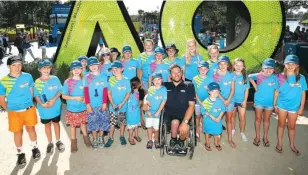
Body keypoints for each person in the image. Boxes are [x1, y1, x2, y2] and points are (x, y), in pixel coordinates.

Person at [0, 56, 41, 167]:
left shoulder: (28, 77)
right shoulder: (3, 81)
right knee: (17, 133)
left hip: (29, 110)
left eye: (19, 65)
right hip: (14, 113)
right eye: (14, 65)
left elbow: (31, 90)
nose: (17, 68)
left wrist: (30, 104)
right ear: (9, 67)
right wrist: (9, 110)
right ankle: (20, 153)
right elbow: (1, 99)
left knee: (31, 129)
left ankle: (34, 148)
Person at [275, 55, 307, 156]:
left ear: (297, 65)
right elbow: (276, 91)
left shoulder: (301, 78)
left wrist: (301, 107)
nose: (290, 66)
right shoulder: (280, 77)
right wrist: (275, 104)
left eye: (293, 64)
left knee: (292, 127)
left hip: (294, 107)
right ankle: (279, 143)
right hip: (282, 105)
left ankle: (292, 144)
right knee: (281, 124)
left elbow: (303, 93)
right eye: (288, 63)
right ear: (284, 64)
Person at [34, 59, 65, 153]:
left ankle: (58, 141)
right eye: (44, 68)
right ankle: (50, 143)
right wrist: (42, 104)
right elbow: (36, 95)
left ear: (51, 69)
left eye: (48, 68)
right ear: (39, 69)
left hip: (55, 107)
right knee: (47, 125)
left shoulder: (55, 78)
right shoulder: (37, 82)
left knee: (56, 124)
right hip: (44, 109)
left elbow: (60, 90)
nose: (46, 70)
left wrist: (53, 100)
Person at [163, 64, 195, 153]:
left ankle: (181, 141)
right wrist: (146, 102)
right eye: (173, 72)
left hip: (184, 116)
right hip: (169, 117)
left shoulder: (189, 85)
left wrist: (185, 122)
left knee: (185, 127)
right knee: (175, 122)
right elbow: (152, 92)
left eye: (178, 72)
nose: (176, 74)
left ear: (181, 73)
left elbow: (192, 105)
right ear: (170, 75)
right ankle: (173, 140)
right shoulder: (165, 86)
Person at [62, 60, 92, 153]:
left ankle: (86, 138)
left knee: (83, 124)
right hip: (72, 109)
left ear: (82, 69)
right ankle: (73, 142)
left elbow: (87, 93)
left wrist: (86, 102)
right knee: (72, 126)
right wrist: (75, 98)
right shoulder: (67, 82)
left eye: (78, 68)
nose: (76, 70)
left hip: (82, 108)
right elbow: (63, 96)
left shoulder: (84, 80)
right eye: (74, 69)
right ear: (71, 70)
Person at [248, 58, 278, 148]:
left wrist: (275, 104)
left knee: (266, 120)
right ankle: (257, 136)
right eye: (266, 68)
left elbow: (276, 91)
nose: (268, 70)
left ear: (274, 69)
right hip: (259, 102)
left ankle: (265, 137)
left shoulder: (275, 78)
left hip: (269, 103)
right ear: (262, 68)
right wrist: (255, 86)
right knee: (258, 119)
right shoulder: (258, 75)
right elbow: (249, 76)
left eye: (271, 68)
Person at [84, 56, 110, 150]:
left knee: (102, 122)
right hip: (91, 105)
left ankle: (100, 138)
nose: (93, 67)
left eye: (95, 65)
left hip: (101, 104)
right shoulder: (87, 77)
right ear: (89, 67)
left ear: (98, 65)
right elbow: (86, 92)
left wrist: (104, 103)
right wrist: (88, 104)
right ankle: (95, 139)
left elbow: (105, 91)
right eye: (91, 66)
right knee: (93, 123)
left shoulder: (103, 76)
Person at [105, 61, 131, 147]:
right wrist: (112, 103)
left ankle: (122, 136)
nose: (114, 70)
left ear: (122, 69)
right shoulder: (111, 80)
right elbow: (109, 93)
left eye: (117, 69)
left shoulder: (126, 80)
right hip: (113, 107)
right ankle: (110, 138)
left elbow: (128, 93)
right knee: (112, 123)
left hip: (122, 107)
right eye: (113, 69)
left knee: (122, 123)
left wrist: (122, 103)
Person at [213, 55, 235, 148]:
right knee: (218, 119)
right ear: (218, 65)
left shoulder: (231, 75)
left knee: (229, 120)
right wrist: (223, 100)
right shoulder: (215, 75)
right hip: (219, 100)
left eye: (224, 64)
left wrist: (228, 100)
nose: (222, 66)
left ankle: (230, 139)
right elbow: (216, 90)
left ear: (228, 65)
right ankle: (217, 138)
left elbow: (232, 89)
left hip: (230, 100)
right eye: (220, 64)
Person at [144, 72, 167, 149]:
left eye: (159, 79)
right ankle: (150, 140)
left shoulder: (164, 89)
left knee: (156, 129)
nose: (157, 81)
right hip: (149, 112)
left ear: (162, 80)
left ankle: (156, 140)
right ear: (152, 81)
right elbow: (146, 101)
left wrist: (158, 112)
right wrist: (147, 111)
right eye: (155, 80)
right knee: (149, 127)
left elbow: (164, 101)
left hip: (158, 113)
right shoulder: (150, 89)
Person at [192, 61, 213, 141]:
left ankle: (208, 131)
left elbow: (212, 92)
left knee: (207, 117)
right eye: (201, 69)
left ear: (208, 70)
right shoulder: (195, 79)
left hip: (207, 102)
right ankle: (197, 133)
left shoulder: (210, 79)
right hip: (198, 102)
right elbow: (194, 92)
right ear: (198, 69)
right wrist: (200, 102)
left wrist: (207, 102)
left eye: (205, 69)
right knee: (198, 117)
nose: (203, 71)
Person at [201, 82, 225, 151]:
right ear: (209, 92)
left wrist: (219, 117)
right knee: (207, 132)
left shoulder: (220, 101)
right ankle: (207, 143)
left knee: (216, 132)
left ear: (219, 92)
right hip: (208, 120)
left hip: (217, 120)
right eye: (212, 91)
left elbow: (223, 110)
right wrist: (212, 116)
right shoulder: (206, 101)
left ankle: (216, 142)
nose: (215, 93)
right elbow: (203, 111)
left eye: (217, 91)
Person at [232, 58, 250, 142]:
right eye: (237, 65)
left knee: (242, 117)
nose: (239, 67)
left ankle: (242, 132)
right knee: (232, 116)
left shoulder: (245, 76)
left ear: (243, 67)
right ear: (234, 66)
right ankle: (232, 129)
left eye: (241, 65)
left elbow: (246, 89)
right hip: (232, 100)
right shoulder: (231, 75)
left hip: (241, 100)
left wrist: (245, 101)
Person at [126, 77, 143, 145]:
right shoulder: (130, 93)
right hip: (131, 112)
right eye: (140, 82)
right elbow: (130, 102)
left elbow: (137, 101)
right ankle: (130, 138)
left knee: (136, 125)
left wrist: (139, 102)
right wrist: (137, 104)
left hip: (136, 111)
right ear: (137, 84)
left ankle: (136, 135)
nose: (141, 83)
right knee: (131, 127)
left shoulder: (137, 92)